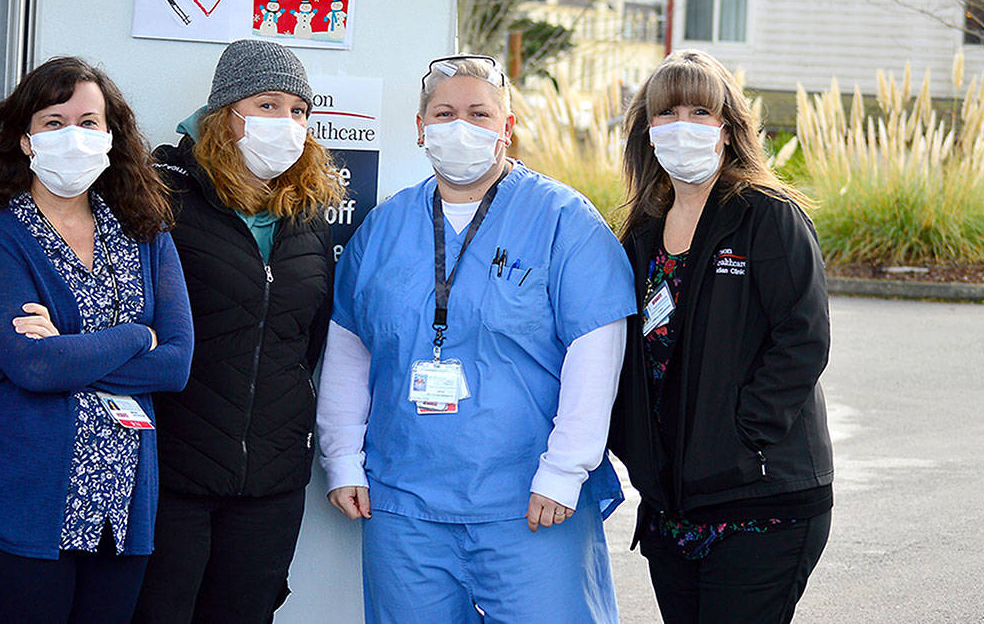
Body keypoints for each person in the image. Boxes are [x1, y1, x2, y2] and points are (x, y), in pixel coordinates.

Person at [316, 54, 636, 624]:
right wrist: (341, 457)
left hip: (530, 501)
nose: (459, 126)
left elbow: (597, 353)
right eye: (443, 112)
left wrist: (564, 470)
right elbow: (348, 347)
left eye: (479, 113)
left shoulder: (564, 221)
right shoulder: (385, 227)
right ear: (420, 129)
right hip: (405, 504)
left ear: (507, 128)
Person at [0, 57, 194, 624]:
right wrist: (137, 334)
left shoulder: (145, 234)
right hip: (14, 510)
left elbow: (176, 364)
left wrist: (68, 348)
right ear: (26, 142)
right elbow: (33, 368)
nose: (72, 136)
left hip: (119, 510)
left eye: (88, 122)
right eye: (54, 122)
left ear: (110, 136)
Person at [608, 50, 834, 624]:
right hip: (673, 506)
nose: (682, 125)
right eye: (667, 113)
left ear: (729, 130)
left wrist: (742, 435)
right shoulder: (641, 230)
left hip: (760, 501)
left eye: (700, 111)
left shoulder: (766, 214)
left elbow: (802, 337)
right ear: (647, 130)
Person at [132, 39, 342, 623]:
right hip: (173, 470)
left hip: (271, 480)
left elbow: (308, 342)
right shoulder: (164, 197)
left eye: (300, 111)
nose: (289, 123)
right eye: (269, 105)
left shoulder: (307, 220)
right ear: (225, 114)